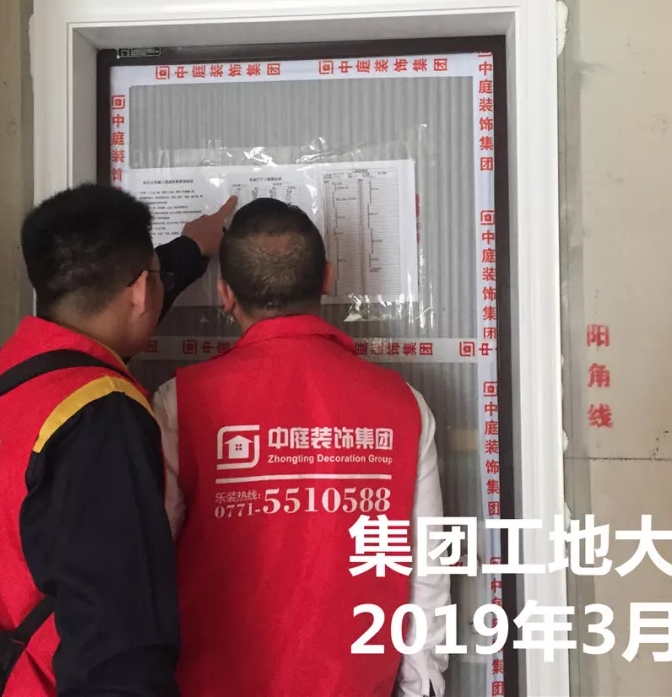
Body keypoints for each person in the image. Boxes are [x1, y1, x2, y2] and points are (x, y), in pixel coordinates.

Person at [152, 198, 450, 697]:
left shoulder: (179, 402)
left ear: (225, 294)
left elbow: (145, 562)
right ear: (327, 278)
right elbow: (427, 573)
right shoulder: (403, 405)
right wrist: (422, 688)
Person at [0, 183, 235, 697]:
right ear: (140, 291)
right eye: (155, 277)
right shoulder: (102, 416)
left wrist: (187, 251)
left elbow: (106, 326)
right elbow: (116, 637)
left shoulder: (14, 367)